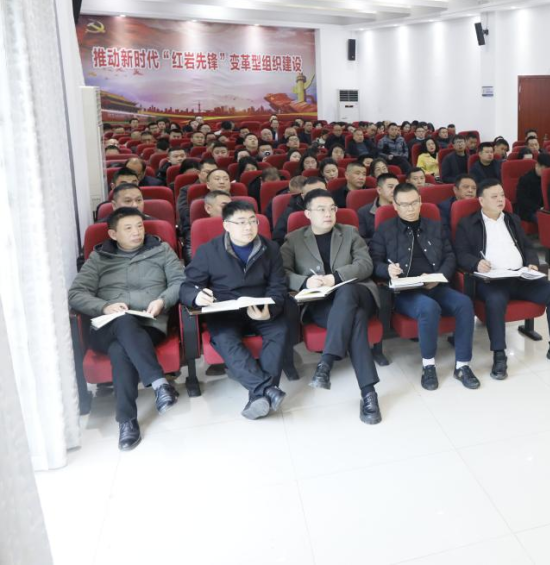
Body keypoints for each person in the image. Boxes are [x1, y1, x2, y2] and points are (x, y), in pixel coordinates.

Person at [68, 208, 185, 450]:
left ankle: (127, 421)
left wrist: (162, 300)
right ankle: (159, 384)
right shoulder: (99, 258)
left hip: (149, 324)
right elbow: (76, 294)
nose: (136, 232)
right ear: (113, 234)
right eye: (128, 228)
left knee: (120, 351)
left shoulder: (161, 250)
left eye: (139, 226)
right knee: (122, 320)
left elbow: (179, 281)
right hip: (107, 326)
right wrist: (104, 306)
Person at [454, 179, 550, 379]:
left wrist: (531, 262)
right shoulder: (468, 223)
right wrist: (476, 263)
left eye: (502, 195)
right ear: (481, 201)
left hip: (520, 276)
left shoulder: (512, 219)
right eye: (494, 197)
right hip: (492, 281)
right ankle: (499, 355)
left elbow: (527, 246)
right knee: (495, 300)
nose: (500, 200)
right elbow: (460, 254)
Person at [181, 201, 289, 419]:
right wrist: (197, 296)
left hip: (260, 306)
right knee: (224, 338)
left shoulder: (270, 248)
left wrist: (270, 310)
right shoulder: (209, 251)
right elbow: (187, 286)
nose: (248, 227)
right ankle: (267, 389)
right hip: (226, 310)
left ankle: (259, 396)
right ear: (227, 225)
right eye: (241, 222)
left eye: (252, 221)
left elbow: (278, 285)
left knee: (279, 330)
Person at [280, 189, 382, 423]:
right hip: (321, 304)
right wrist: (305, 282)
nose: (328, 214)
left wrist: (335, 278)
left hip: (359, 294)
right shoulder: (293, 239)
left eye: (332, 208)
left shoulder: (349, 232)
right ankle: (369, 393)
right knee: (355, 319)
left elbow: (365, 265)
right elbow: (282, 273)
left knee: (346, 291)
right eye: (321, 209)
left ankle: (326, 362)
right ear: (307, 213)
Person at [370, 183, 479, 390]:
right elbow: (374, 261)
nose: (410, 208)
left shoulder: (435, 226)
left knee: (464, 303)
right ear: (395, 206)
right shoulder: (385, 229)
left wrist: (439, 277)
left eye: (414, 203)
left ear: (420, 202)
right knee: (428, 308)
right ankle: (428, 365)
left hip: (436, 285)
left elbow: (450, 256)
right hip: (406, 292)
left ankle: (463, 365)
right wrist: (387, 269)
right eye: (404, 204)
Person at [272, 175, 327, 244]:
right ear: (303, 196)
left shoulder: (333, 206)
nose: (318, 197)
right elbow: (278, 239)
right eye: (312, 194)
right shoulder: (291, 212)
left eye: (322, 192)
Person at [515, 152, 550, 224]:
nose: (546, 173)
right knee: (546, 221)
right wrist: (539, 208)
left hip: (546, 208)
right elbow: (521, 199)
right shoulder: (526, 179)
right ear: (537, 165)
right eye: (544, 170)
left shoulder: (549, 177)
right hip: (530, 210)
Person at [358, 173, 398, 239]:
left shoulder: (404, 208)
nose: (395, 191)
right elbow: (362, 239)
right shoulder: (363, 212)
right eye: (390, 187)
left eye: (397, 187)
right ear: (379, 190)